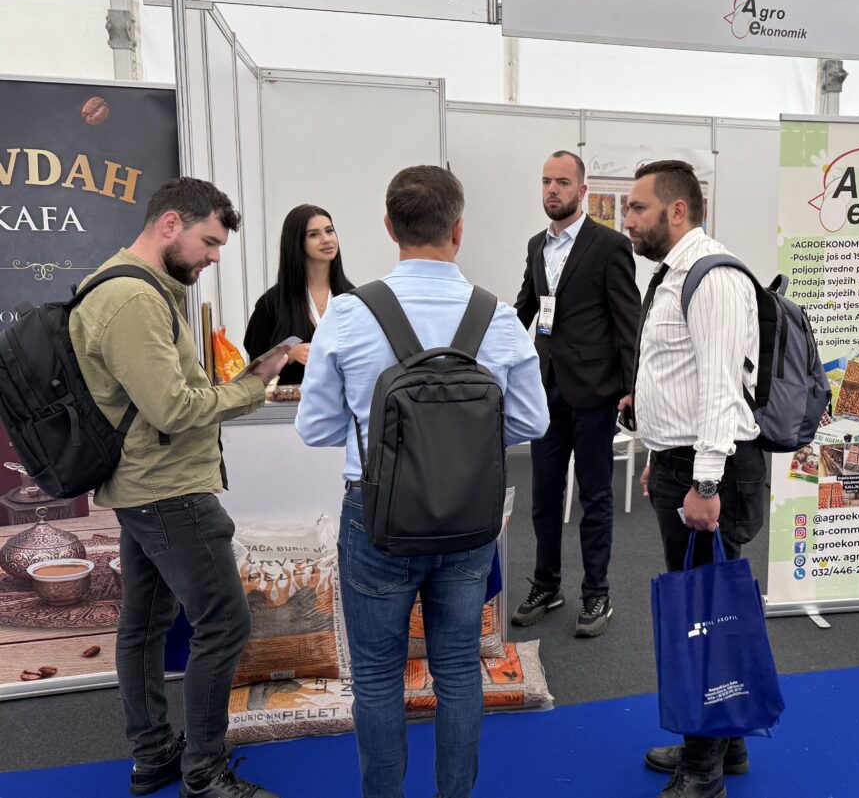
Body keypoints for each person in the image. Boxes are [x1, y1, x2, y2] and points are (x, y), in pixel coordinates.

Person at [296, 165, 548, 798]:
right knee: (459, 668)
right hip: (469, 517)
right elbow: (531, 421)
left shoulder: (349, 314)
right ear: (458, 229)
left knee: (378, 677)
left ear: (388, 227)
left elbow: (315, 428)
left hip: (375, 516)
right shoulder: (497, 317)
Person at [69, 178, 286, 798]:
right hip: (169, 492)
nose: (214, 257)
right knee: (223, 624)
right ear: (170, 224)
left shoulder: (123, 286)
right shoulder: (134, 299)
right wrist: (253, 385)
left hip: (143, 488)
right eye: (209, 242)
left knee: (145, 625)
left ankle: (154, 757)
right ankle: (204, 773)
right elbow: (171, 408)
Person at [620, 160, 766, 798]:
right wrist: (660, 452)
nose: (627, 220)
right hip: (682, 460)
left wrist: (705, 484)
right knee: (708, 607)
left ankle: (703, 772)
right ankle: (726, 745)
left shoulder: (713, 277)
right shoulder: (674, 274)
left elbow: (719, 391)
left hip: (711, 469)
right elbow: (682, 380)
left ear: (676, 211)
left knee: (704, 616)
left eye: (637, 208)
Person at [512, 150, 640, 637]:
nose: (553, 189)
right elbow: (524, 309)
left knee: (595, 496)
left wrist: (631, 388)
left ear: (582, 191)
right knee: (544, 496)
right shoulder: (536, 245)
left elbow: (627, 321)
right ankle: (547, 585)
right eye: (547, 181)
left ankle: (596, 593)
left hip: (594, 392)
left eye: (563, 182)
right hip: (544, 391)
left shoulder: (609, 245)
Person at [244, 203, 355, 385]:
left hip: (345, 398)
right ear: (296, 242)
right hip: (292, 401)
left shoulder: (352, 298)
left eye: (329, 231)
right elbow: (254, 370)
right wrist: (289, 355)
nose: (326, 239)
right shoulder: (271, 303)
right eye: (314, 235)